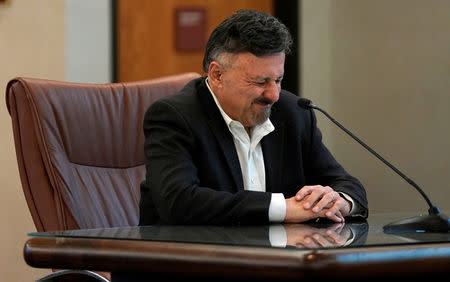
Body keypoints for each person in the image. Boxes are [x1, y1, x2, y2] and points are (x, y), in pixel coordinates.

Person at [139, 9, 368, 227]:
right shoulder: (174, 117)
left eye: (278, 80)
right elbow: (179, 201)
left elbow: (346, 184)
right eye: (260, 82)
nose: (273, 95)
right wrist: (283, 208)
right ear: (217, 75)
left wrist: (340, 201)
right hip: (190, 261)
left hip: (274, 261)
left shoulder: (294, 113)